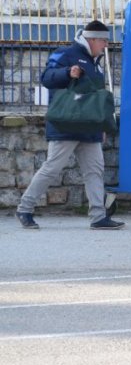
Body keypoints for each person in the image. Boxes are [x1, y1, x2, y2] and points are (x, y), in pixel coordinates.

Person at [16, 20, 124, 230]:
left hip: (90, 127)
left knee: (95, 171)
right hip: (66, 125)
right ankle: (24, 209)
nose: (106, 45)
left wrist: (101, 127)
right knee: (51, 169)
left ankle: (98, 217)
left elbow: (96, 100)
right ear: (92, 39)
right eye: (103, 40)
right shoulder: (65, 54)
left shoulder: (97, 62)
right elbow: (46, 78)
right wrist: (67, 73)